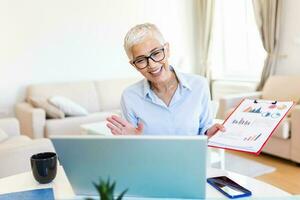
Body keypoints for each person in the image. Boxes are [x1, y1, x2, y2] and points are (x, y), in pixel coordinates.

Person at [106, 23, 225, 137]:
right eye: (141, 60)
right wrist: (132, 141)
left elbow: (204, 129)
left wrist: (209, 133)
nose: (152, 65)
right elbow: (131, 147)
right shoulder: (130, 96)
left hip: (191, 157)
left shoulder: (199, 85)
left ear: (167, 50)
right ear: (134, 65)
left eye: (156, 53)